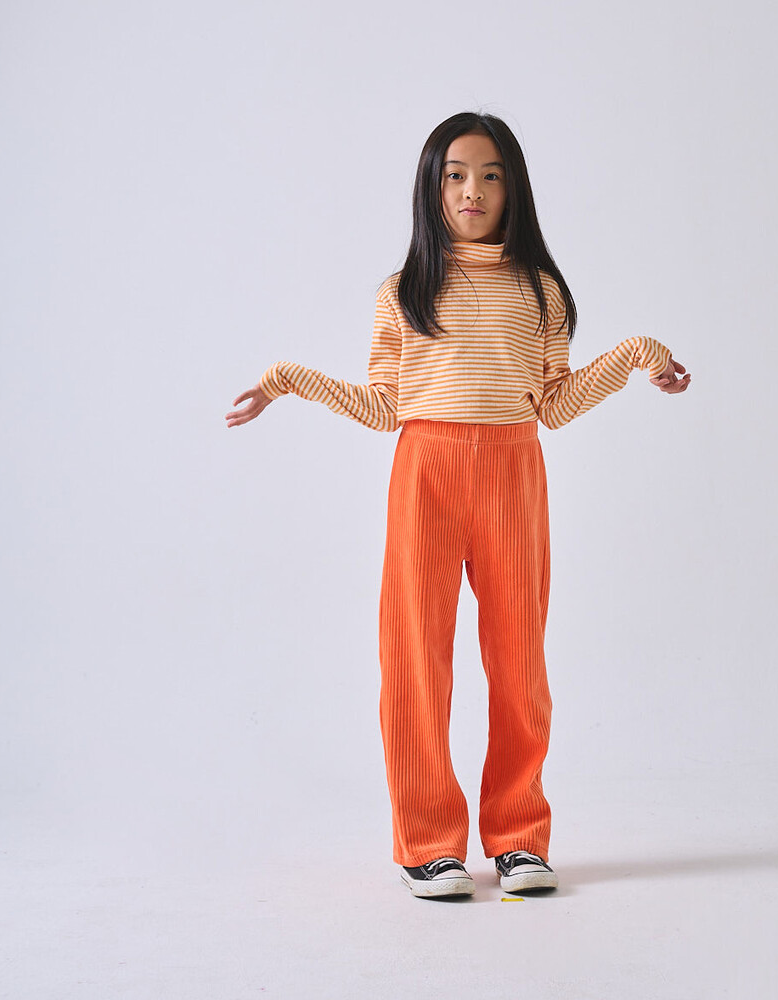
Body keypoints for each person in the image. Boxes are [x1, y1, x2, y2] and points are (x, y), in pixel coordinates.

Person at [225, 111, 691, 900]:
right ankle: (428, 845)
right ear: (432, 186)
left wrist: (638, 354)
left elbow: (556, 403)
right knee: (415, 659)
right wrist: (287, 380)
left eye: (490, 175)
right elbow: (385, 408)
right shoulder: (403, 292)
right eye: (455, 174)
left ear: (513, 189)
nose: (472, 190)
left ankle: (519, 838)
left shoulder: (539, 290)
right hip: (426, 476)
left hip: (514, 473)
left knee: (519, 662)